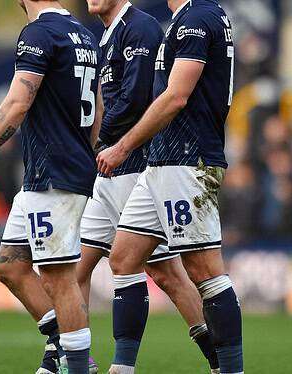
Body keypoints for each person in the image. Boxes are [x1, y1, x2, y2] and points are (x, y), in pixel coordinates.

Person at [96, 0, 243, 373]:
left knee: (204, 269)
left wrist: (123, 145)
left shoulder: (198, 16)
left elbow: (177, 96)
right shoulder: (185, 18)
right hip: (162, 161)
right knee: (124, 257)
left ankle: (229, 369)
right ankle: (122, 368)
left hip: (189, 160)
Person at [0, 1, 101, 373]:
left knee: (58, 276)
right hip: (50, 173)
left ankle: (78, 366)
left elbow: (18, 103)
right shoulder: (83, 33)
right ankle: (59, 347)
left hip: (55, 174)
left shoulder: (39, 33)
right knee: (10, 266)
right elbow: (99, 108)